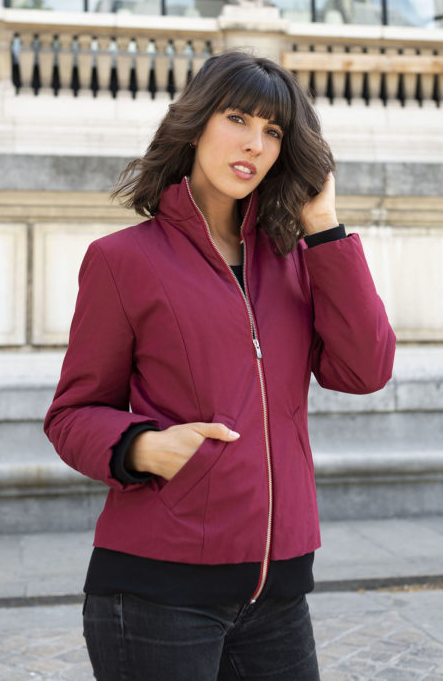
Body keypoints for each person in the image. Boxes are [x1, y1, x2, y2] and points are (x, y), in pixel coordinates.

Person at [43, 50, 396, 680]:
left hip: (279, 594)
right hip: (158, 593)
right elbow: (71, 414)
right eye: (238, 118)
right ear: (198, 122)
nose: (254, 143)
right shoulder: (123, 260)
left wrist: (324, 227)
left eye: (274, 131)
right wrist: (143, 447)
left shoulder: (297, 259)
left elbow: (365, 370)